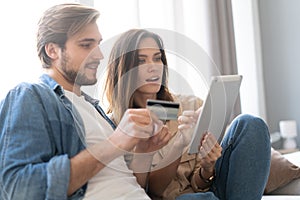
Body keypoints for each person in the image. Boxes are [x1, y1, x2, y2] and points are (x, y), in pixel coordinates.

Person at [0, 4, 171, 200]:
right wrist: (115, 143)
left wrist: (143, 152)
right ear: (52, 50)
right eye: (86, 45)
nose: (99, 55)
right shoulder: (30, 95)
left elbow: (129, 185)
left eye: (98, 44)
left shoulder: (93, 108)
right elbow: (17, 189)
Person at [104, 28, 272, 200]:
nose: (153, 67)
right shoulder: (115, 127)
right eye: (141, 61)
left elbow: (201, 184)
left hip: (208, 194)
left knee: (250, 123)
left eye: (157, 58)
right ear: (123, 71)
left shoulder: (191, 105)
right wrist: (178, 145)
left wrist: (208, 168)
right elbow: (151, 191)